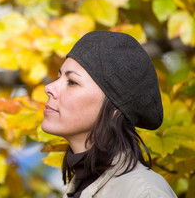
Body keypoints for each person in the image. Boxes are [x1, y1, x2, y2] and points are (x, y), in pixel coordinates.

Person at [42, 31, 177, 198]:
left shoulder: (143, 193)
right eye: (58, 76)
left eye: (72, 82)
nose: (49, 88)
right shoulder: (80, 186)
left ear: (115, 108)